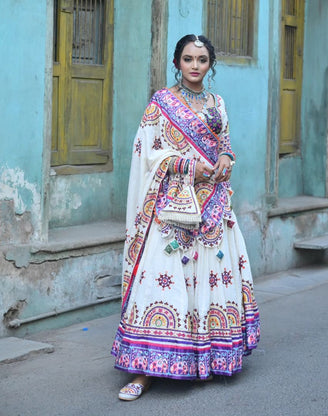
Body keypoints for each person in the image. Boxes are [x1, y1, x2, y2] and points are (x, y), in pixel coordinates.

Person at [112, 34, 260, 401]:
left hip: (213, 207)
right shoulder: (161, 104)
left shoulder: (217, 102)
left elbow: (224, 142)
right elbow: (148, 153)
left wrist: (226, 158)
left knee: (209, 282)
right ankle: (143, 371)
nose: (195, 66)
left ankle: (203, 359)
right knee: (160, 282)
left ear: (211, 65)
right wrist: (187, 165)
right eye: (188, 59)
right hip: (172, 207)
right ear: (177, 62)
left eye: (203, 60)